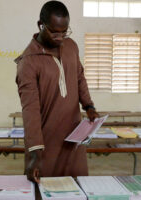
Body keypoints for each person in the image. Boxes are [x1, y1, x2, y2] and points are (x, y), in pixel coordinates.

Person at [15, 0, 99, 183]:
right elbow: (30, 111)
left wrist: (89, 105)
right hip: (47, 143)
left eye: (64, 32)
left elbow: (79, 78)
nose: (60, 37)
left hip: (74, 139)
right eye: (54, 31)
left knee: (78, 187)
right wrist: (35, 154)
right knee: (46, 189)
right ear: (41, 25)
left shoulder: (71, 47)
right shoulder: (28, 62)